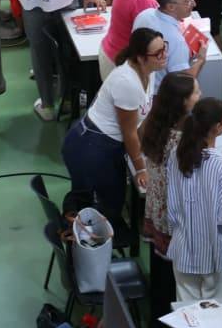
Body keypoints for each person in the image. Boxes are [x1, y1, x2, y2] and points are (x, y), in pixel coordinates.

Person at [61, 26, 164, 218]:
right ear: (141, 58)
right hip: (91, 146)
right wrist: (141, 168)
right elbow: (129, 132)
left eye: (164, 48)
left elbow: (141, 118)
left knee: (113, 200)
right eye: (158, 53)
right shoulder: (127, 82)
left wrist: (148, 149)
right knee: (104, 205)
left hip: (106, 144)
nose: (164, 55)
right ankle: (76, 232)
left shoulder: (150, 71)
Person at [165, 97, 222, 309]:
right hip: (216, 252)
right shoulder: (221, 165)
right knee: (217, 314)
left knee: (186, 315)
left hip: (183, 248)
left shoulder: (177, 156)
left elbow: (173, 207)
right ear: (219, 127)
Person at [137, 73, 201, 320]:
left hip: (157, 205)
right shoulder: (181, 139)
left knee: (161, 268)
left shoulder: (154, 123)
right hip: (174, 213)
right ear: (183, 101)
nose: (200, 95)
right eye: (196, 93)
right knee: (175, 277)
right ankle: (169, 325)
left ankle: (158, 316)